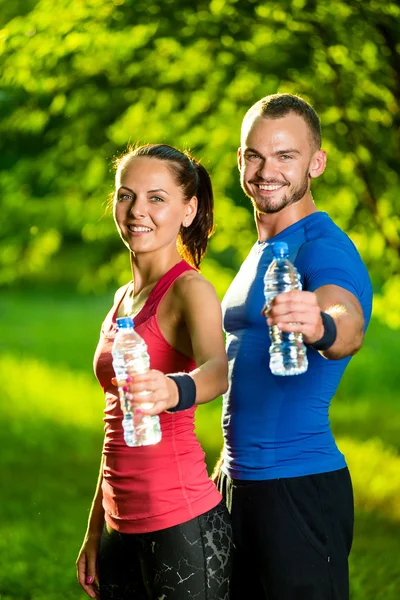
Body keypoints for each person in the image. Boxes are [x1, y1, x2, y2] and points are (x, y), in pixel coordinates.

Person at [214, 93, 373, 600]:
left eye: (286, 156)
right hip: (237, 482)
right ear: (241, 160)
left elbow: (346, 320)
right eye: (255, 155)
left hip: (298, 487)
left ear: (316, 163)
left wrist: (321, 325)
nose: (267, 171)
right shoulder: (263, 249)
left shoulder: (322, 246)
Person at [76, 144, 233, 600]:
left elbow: (219, 369)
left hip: (180, 522)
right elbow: (116, 428)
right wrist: (96, 528)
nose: (137, 211)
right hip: (118, 526)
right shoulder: (123, 299)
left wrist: (173, 389)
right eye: (126, 196)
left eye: (156, 198)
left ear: (188, 210)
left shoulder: (189, 290)